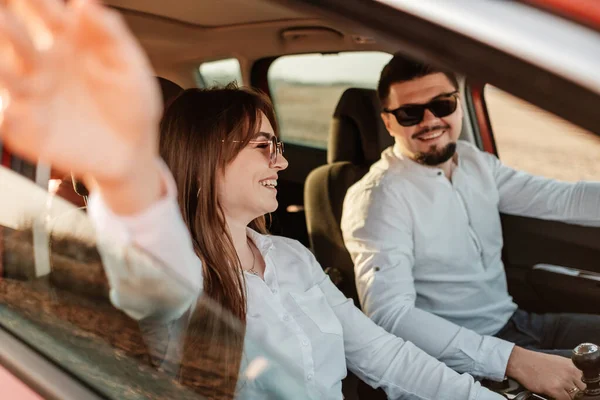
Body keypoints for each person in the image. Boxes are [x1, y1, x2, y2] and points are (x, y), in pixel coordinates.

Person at [0, 0, 508, 399]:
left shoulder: (291, 258)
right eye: (264, 147)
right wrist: (124, 171)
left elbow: (387, 358)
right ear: (205, 158)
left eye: (280, 147)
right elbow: (147, 283)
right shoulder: (174, 275)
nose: (282, 164)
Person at [341, 54, 599, 400]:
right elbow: (390, 314)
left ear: (458, 105)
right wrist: (513, 361)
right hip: (463, 360)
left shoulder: (475, 161)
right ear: (389, 123)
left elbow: (562, 199)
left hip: (517, 323)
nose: (430, 120)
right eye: (410, 113)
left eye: (442, 104)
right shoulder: (378, 198)